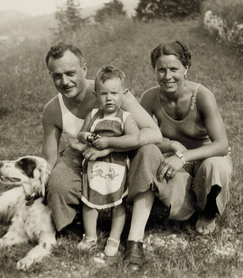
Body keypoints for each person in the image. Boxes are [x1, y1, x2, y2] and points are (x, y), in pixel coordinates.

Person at [41, 43, 162, 272]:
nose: (65, 81)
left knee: (149, 152)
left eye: (70, 73)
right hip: (84, 156)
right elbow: (48, 159)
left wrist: (110, 147)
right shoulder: (52, 109)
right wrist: (36, 187)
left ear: (84, 69)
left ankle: (134, 239)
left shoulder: (109, 91)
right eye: (57, 76)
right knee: (57, 183)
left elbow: (154, 133)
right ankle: (81, 226)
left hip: (122, 152)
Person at [140, 40, 233, 235]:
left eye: (174, 69)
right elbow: (141, 138)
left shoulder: (201, 95)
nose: (167, 77)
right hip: (173, 159)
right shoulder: (149, 98)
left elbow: (222, 145)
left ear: (186, 68)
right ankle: (187, 205)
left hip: (204, 158)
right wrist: (171, 145)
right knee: (153, 169)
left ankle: (208, 213)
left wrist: (183, 156)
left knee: (217, 166)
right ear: (154, 70)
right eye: (161, 70)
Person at [76, 65, 139, 257]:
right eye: (103, 94)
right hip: (94, 166)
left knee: (117, 202)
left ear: (124, 93)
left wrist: (109, 142)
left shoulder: (125, 117)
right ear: (96, 95)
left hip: (116, 165)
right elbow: (80, 134)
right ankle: (90, 235)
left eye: (114, 93)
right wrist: (87, 137)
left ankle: (114, 238)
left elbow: (134, 138)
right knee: (89, 201)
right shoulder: (93, 116)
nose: (109, 98)